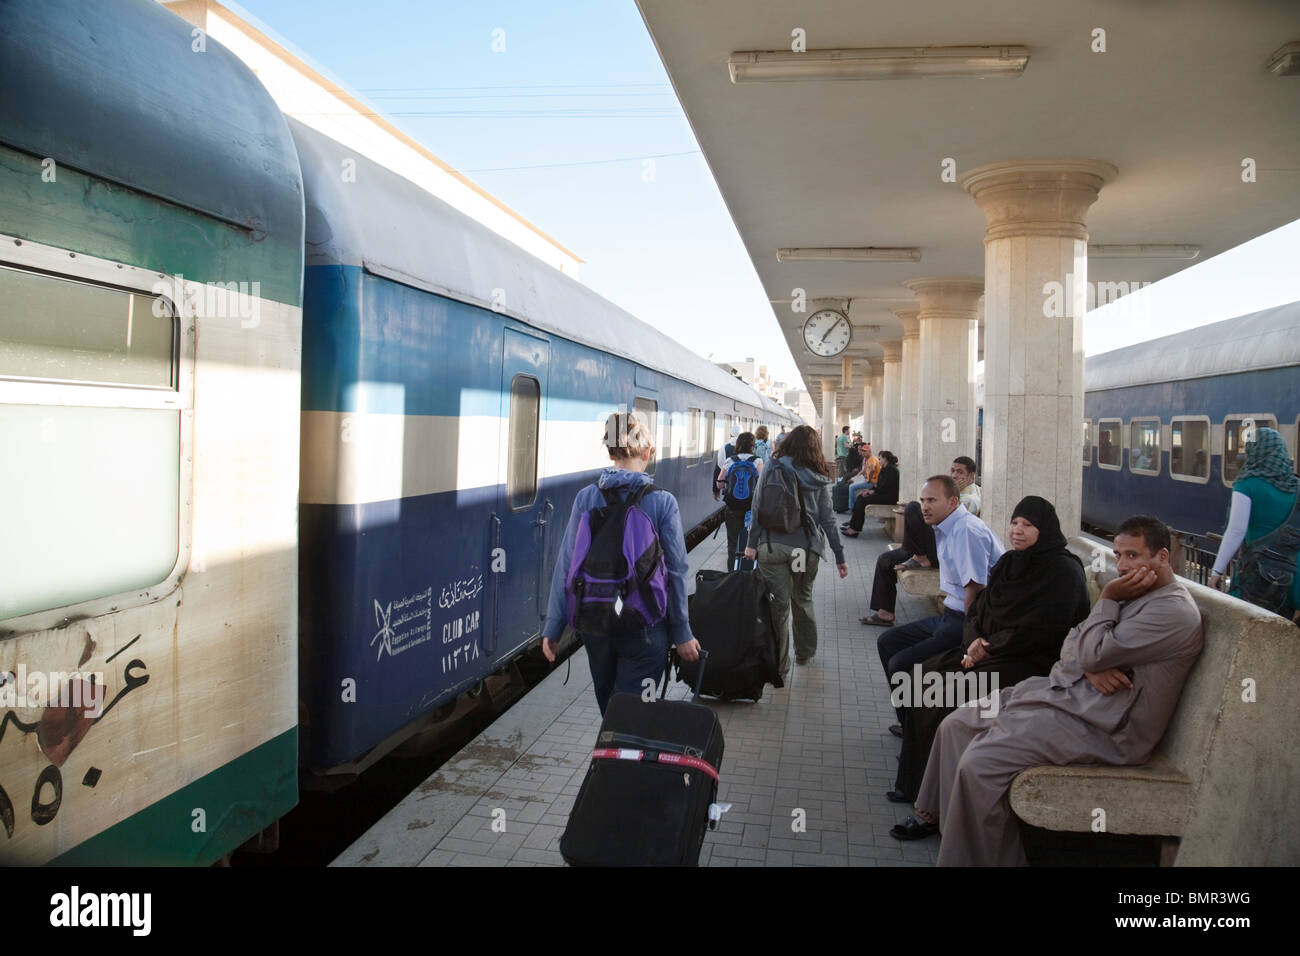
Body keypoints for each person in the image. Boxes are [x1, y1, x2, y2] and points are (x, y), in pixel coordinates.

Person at [892, 515, 1203, 865]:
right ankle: (951, 830)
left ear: (1163, 557)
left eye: (1134, 555)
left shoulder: (1170, 610)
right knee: (957, 724)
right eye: (1118, 556)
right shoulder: (1135, 594)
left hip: (1107, 727)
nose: (1123, 566)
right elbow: (1071, 643)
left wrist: (1107, 608)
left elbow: (1082, 648)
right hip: (1072, 699)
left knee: (981, 763)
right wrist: (1090, 662)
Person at [886, 497, 1090, 803]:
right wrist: (974, 640)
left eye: (1028, 525)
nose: (1018, 531)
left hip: (1029, 663)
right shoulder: (1010, 563)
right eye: (1015, 523)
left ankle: (935, 798)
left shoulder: (1063, 572)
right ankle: (916, 778)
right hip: (987, 651)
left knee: (943, 694)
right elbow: (979, 608)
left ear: (1045, 529)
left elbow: (1043, 629)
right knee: (920, 678)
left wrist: (989, 647)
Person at [541, 411, 701, 715]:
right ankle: (618, 759)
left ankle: (608, 758)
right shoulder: (662, 501)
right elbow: (677, 571)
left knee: (611, 712)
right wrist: (681, 631)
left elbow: (566, 564)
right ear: (648, 451)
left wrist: (554, 625)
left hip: (595, 624)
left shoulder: (586, 498)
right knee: (633, 718)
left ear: (610, 451)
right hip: (646, 627)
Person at [876, 476, 1005, 732]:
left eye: (932, 500)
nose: (925, 506)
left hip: (966, 622)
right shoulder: (947, 527)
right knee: (887, 642)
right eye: (923, 500)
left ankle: (916, 731)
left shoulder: (966, 531)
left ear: (953, 501)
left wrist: (972, 636)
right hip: (950, 615)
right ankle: (910, 725)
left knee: (901, 664)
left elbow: (976, 589)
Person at [743, 425, 849, 674]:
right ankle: (804, 654)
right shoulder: (818, 474)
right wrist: (839, 555)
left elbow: (757, 506)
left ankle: (780, 666)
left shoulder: (773, 464)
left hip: (773, 546)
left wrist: (750, 544)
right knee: (802, 600)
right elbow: (828, 519)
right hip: (803, 550)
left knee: (778, 607)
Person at [1208, 426, 1300, 617]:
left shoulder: (1246, 484)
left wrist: (1216, 571)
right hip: (1294, 576)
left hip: (1259, 574)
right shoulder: (1296, 486)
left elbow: (1236, 530)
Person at [859, 501, 941, 629]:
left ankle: (920, 557)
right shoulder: (946, 497)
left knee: (913, 507)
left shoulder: (967, 499)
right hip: (928, 546)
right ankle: (885, 613)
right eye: (925, 499)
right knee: (885, 560)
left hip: (940, 553)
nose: (926, 504)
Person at [715, 431, 763, 568]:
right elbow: (763, 485)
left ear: (738, 444)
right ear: (753, 446)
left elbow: (719, 483)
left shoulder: (730, 461)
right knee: (751, 543)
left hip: (732, 508)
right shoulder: (758, 461)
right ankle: (749, 574)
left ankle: (732, 575)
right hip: (751, 509)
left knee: (733, 543)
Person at [841, 451, 900, 536]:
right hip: (882, 494)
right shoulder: (885, 469)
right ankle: (852, 525)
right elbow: (878, 485)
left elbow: (885, 487)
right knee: (860, 497)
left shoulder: (891, 470)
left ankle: (855, 529)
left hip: (888, 497)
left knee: (862, 501)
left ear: (885, 459)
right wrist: (869, 491)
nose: (879, 461)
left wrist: (872, 492)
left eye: (880, 459)